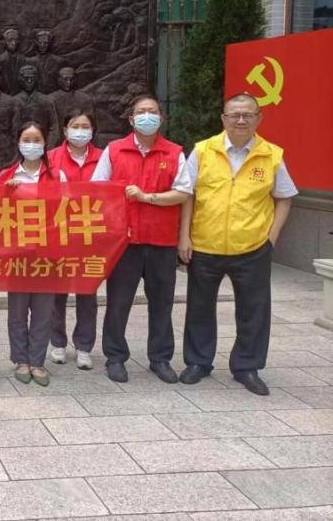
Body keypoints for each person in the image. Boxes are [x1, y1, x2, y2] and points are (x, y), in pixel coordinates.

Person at [178, 93, 298, 396]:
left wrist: (271, 237)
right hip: (205, 244)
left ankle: (247, 367)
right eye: (234, 115)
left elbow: (284, 198)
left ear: (258, 118)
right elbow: (187, 195)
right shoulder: (203, 150)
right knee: (199, 308)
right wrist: (184, 236)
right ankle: (198, 362)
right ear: (224, 119)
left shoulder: (271, 154)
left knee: (253, 310)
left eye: (248, 114)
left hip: (252, 246)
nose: (241, 120)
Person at [90, 95, 191, 384]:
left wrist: (148, 198)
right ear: (131, 119)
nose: (148, 116)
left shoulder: (174, 152)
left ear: (161, 118)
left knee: (162, 303)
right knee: (118, 302)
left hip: (161, 241)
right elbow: (97, 189)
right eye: (141, 112)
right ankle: (115, 357)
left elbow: (183, 192)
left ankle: (160, 358)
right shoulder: (115, 150)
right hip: (124, 242)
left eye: (153, 112)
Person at [0, 121, 67, 386]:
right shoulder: (7, 176)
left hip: (48, 253)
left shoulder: (57, 175)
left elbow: (69, 210)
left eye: (37, 140)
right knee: (17, 310)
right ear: (18, 142)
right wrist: (5, 192)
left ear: (45, 143)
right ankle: (21, 360)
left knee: (43, 310)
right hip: (17, 254)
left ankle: (37, 361)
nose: (32, 145)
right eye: (27, 140)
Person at [46, 109, 102, 370]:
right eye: (75, 126)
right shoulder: (51, 158)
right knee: (56, 293)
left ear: (92, 130)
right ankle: (57, 342)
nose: (80, 131)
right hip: (58, 234)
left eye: (85, 126)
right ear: (65, 130)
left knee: (87, 292)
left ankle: (84, 346)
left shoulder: (104, 157)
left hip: (91, 235)